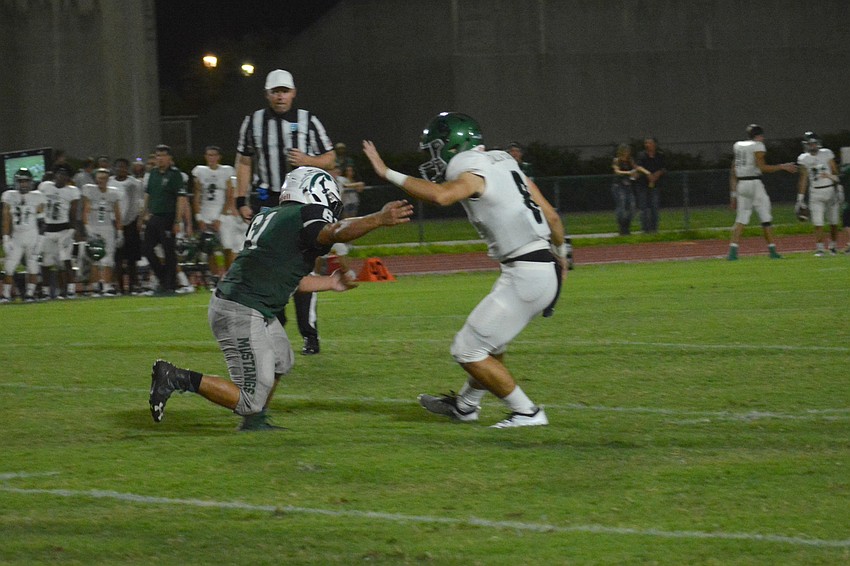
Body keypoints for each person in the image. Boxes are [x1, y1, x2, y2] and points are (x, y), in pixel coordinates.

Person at [148, 167, 413, 430]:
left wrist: (330, 282)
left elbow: (285, 277)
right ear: (315, 192)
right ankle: (174, 377)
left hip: (247, 304)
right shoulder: (306, 212)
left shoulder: (274, 216)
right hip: (241, 308)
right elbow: (334, 231)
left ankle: (256, 423)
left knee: (281, 359)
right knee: (249, 399)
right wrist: (378, 219)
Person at [363, 112, 568, 428]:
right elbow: (552, 216)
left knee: (468, 349)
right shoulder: (505, 163)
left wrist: (386, 172)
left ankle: (528, 412)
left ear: (453, 144)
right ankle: (465, 407)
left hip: (526, 272)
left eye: (435, 149)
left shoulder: (473, 172)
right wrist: (562, 253)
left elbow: (441, 196)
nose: (433, 158)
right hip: (539, 267)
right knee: (492, 345)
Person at [234, 68, 337, 354]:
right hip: (268, 201)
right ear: (267, 94)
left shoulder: (308, 120)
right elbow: (243, 162)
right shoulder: (253, 122)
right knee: (267, 266)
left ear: (293, 92)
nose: (280, 96)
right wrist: (240, 199)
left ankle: (309, 332)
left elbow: (330, 158)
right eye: (275, 91)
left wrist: (308, 160)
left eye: (284, 90)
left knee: (304, 264)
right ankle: (275, 322)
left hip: (303, 202)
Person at [728, 124, 797, 260]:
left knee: (741, 219)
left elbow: (733, 171)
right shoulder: (757, 146)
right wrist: (783, 166)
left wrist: (733, 195)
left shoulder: (738, 146)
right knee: (766, 218)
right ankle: (772, 251)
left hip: (742, 184)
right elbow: (763, 168)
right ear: (759, 136)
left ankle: (732, 253)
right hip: (754, 184)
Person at [141, 144, 192, 295]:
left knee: (169, 251)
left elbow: (181, 199)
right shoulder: (153, 174)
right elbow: (148, 195)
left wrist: (178, 221)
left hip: (168, 217)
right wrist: (143, 214)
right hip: (154, 217)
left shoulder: (175, 175)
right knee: (146, 249)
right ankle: (164, 278)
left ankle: (169, 285)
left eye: (163, 156)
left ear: (170, 158)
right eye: (157, 156)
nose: (160, 159)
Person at [2, 169, 47, 303]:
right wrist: (5, 238)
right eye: (21, 181)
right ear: (16, 182)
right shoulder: (9, 195)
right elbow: (6, 218)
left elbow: (42, 221)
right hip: (16, 237)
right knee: (9, 267)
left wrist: (41, 239)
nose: (23, 184)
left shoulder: (37, 196)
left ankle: (29, 294)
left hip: (32, 235)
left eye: (26, 181)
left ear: (30, 182)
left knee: (33, 266)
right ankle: (5, 295)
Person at [192, 145, 234, 280]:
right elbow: (197, 195)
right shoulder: (200, 171)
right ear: (205, 157)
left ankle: (229, 275)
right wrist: (199, 217)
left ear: (219, 157)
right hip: (206, 213)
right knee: (210, 247)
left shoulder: (226, 171)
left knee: (227, 246)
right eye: (209, 155)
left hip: (222, 214)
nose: (211, 158)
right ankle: (215, 276)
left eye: (214, 155)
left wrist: (221, 217)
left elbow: (229, 195)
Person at [796, 131, 841, 256]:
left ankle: (833, 246)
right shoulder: (803, 158)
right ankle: (820, 248)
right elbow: (803, 178)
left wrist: (839, 188)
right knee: (818, 222)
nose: (813, 146)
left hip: (831, 190)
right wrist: (800, 198)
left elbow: (835, 171)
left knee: (833, 221)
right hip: (815, 192)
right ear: (806, 145)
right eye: (810, 144)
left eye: (814, 143)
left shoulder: (827, 153)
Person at [39, 164, 81, 299]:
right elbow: (39, 205)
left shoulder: (72, 191)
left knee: (66, 261)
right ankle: (45, 291)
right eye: (59, 174)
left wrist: (72, 230)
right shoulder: (45, 186)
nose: (61, 177)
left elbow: (73, 212)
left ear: (68, 178)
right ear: (55, 175)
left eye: (64, 175)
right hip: (48, 229)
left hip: (64, 229)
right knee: (46, 262)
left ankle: (70, 289)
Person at [81, 168, 123, 296]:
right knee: (94, 257)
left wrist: (120, 232)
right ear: (96, 179)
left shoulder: (113, 193)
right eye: (99, 178)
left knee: (108, 258)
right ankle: (95, 287)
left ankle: (106, 286)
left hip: (107, 228)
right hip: (94, 226)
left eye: (104, 178)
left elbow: (117, 213)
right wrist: (88, 228)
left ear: (108, 179)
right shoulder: (90, 190)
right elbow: (86, 211)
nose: (102, 181)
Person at [110, 158, 144, 294]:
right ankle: (119, 286)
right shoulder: (110, 182)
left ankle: (133, 285)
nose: (121, 169)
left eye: (123, 167)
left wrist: (139, 220)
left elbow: (139, 203)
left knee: (132, 258)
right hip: (114, 224)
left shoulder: (134, 183)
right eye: (118, 167)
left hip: (131, 223)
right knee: (117, 258)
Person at [611, 144, 647, 236]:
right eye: (626, 151)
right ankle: (622, 228)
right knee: (621, 206)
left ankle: (627, 225)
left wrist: (637, 173)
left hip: (628, 186)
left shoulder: (630, 160)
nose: (627, 153)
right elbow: (617, 171)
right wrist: (628, 173)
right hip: (619, 186)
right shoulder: (617, 160)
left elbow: (636, 168)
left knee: (632, 206)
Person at [635, 137, 666, 233]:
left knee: (654, 207)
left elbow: (664, 168)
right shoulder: (641, 155)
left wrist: (657, 174)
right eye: (646, 143)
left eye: (649, 143)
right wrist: (648, 174)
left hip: (655, 185)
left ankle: (654, 229)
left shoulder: (660, 155)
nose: (647, 145)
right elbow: (638, 167)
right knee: (643, 208)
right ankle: (645, 229)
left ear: (654, 144)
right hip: (643, 185)